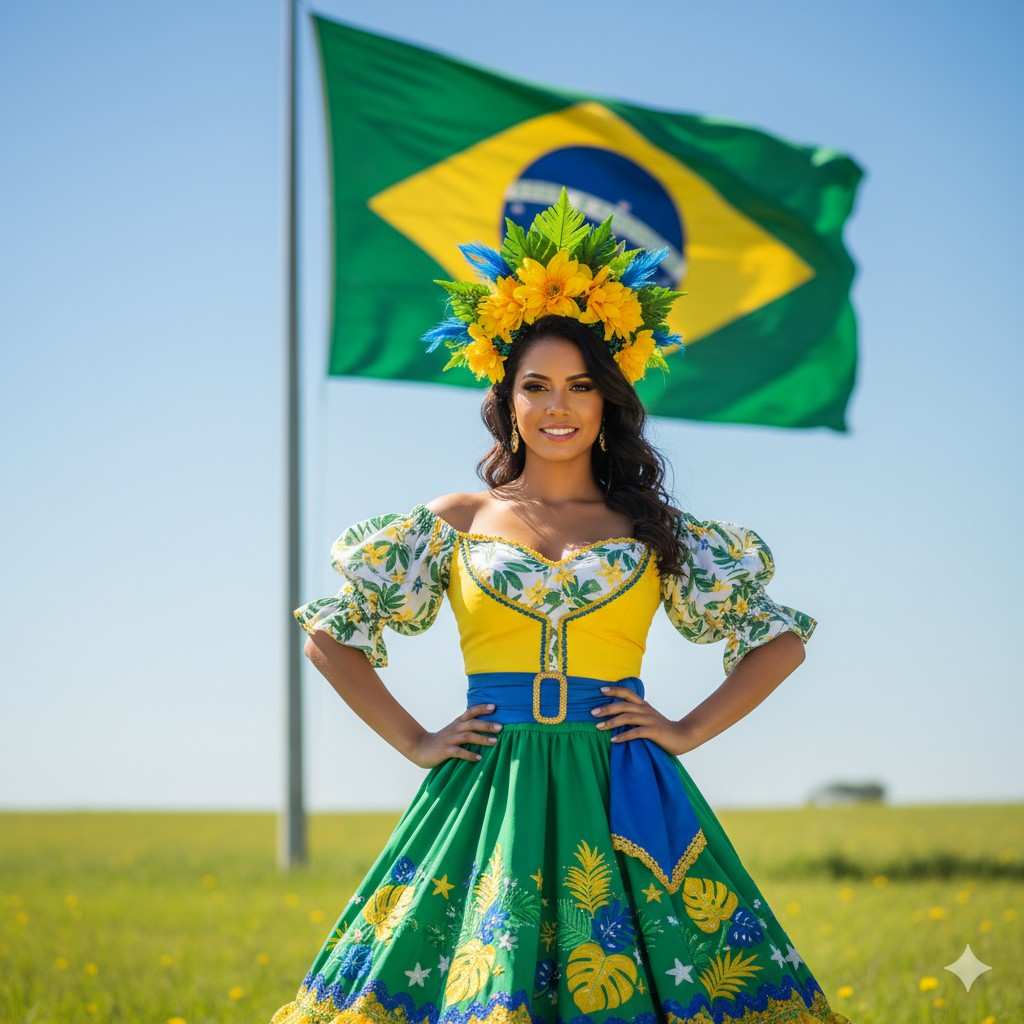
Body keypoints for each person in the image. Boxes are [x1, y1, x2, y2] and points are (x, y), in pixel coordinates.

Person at [270, 191, 850, 1024]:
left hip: (620, 784)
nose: (556, 406)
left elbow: (779, 643)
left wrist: (683, 730)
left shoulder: (650, 530)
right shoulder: (456, 522)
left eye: (580, 386)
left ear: (607, 400)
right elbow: (331, 633)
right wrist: (415, 739)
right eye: (535, 386)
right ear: (505, 399)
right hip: (487, 787)